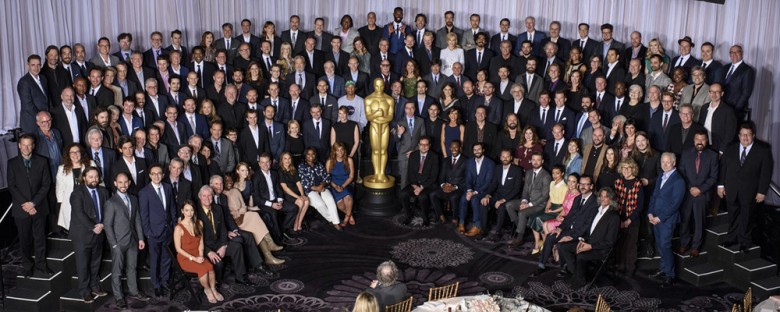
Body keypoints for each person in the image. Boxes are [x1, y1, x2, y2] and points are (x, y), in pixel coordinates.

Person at [718, 122, 773, 252]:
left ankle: (744, 242)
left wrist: (762, 191)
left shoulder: (762, 151)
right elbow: (723, 168)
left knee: (746, 217)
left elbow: (766, 173)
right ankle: (732, 239)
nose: (745, 138)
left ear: (753, 135)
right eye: (743, 135)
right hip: (731, 190)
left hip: (750, 191)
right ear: (739, 135)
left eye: (748, 135)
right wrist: (720, 185)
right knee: (733, 216)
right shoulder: (730, 148)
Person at [529, 174, 595, 278]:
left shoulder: (594, 202)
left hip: (581, 234)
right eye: (581, 184)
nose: (583, 186)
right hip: (569, 229)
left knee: (561, 244)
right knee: (550, 236)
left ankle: (565, 267)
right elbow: (570, 217)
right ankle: (541, 265)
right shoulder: (578, 198)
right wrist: (559, 228)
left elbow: (588, 225)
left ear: (591, 186)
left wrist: (572, 236)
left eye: (586, 184)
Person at [8, 134, 52, 278]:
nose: (26, 148)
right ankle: (27, 266)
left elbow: (46, 185)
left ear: (33, 145)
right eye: (24, 145)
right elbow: (12, 186)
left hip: (39, 207)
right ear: (19, 145)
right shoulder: (12, 163)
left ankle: (41, 265)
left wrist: (33, 203)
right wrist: (26, 205)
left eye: (29, 145)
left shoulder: (42, 161)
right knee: (24, 239)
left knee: (40, 238)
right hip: (21, 209)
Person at [104, 172, 150, 308]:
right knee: (117, 271)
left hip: (132, 241)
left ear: (129, 183)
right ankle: (118, 297)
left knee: (132, 268)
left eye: (125, 182)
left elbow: (137, 220)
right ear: (115, 183)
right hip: (118, 243)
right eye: (120, 182)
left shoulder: (134, 199)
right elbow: (107, 225)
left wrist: (141, 238)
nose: (123, 185)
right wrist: (113, 245)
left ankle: (134, 291)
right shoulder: (110, 202)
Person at [559, 187, 620, 289]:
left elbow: (610, 242)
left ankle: (580, 281)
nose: (603, 199)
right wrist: (581, 240)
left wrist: (590, 246)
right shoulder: (597, 211)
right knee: (564, 247)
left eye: (606, 197)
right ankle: (577, 275)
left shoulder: (614, 217)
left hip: (600, 249)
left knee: (581, 255)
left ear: (611, 199)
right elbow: (589, 231)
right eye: (601, 196)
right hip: (588, 242)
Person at [222, 173, 285, 265]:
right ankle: (269, 252)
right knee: (254, 219)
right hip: (234, 220)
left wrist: (241, 211)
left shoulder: (235, 191)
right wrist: (237, 214)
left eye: (231, 180)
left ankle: (270, 251)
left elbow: (243, 205)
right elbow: (228, 213)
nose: (229, 182)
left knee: (254, 217)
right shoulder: (223, 195)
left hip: (243, 216)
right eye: (227, 180)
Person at [69, 167, 109, 303]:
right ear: (84, 178)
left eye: (96, 176)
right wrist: (93, 227)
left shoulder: (104, 192)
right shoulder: (77, 194)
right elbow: (79, 214)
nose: (94, 179)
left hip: (99, 232)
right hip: (82, 235)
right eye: (91, 177)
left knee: (96, 263)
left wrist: (103, 224)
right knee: (83, 265)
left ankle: (95, 286)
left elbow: (107, 211)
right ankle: (84, 291)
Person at [677, 130, 718, 257]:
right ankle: (684, 243)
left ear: (707, 140)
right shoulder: (686, 154)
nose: (700, 142)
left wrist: (700, 189)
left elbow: (713, 177)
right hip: (687, 192)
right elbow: (681, 173)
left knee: (699, 221)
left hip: (702, 193)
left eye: (703, 139)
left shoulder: (712, 155)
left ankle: (695, 246)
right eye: (697, 139)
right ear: (693, 140)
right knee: (684, 219)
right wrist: (690, 188)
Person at [647, 153, 685, 287]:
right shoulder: (661, 177)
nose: (665, 164)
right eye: (663, 162)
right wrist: (650, 213)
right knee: (659, 244)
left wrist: (660, 217)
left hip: (667, 219)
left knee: (665, 245)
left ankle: (670, 275)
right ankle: (663, 269)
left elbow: (675, 204)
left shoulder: (678, 180)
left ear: (674, 163)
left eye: (668, 162)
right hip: (655, 217)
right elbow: (654, 196)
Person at [174, 201, 222, 303]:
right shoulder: (178, 228)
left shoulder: (199, 223)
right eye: (187, 210)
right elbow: (178, 249)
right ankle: (207, 290)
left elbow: (201, 243)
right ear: (182, 211)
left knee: (210, 267)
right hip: (186, 258)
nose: (189, 213)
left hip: (197, 254)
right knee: (202, 270)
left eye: (191, 210)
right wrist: (194, 258)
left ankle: (213, 289)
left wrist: (200, 255)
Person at [507, 152, 551, 247]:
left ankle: (519, 238)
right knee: (509, 205)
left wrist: (528, 205)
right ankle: (522, 227)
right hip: (528, 201)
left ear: (542, 161)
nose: (535, 162)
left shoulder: (546, 176)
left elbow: (544, 196)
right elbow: (525, 190)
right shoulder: (529, 172)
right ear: (531, 161)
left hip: (539, 204)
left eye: (538, 160)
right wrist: (524, 201)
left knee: (522, 212)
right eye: (534, 160)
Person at [253, 153, 300, 237]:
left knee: (294, 208)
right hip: (265, 203)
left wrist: (280, 201)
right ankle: (279, 237)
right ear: (259, 164)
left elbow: (278, 189)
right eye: (262, 162)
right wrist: (271, 204)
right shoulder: (256, 177)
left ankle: (284, 229)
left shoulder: (274, 173)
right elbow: (257, 198)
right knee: (273, 213)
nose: (265, 165)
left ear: (270, 162)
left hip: (276, 201)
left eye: (267, 162)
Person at [483, 149, 523, 242]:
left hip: (510, 197)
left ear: (511, 158)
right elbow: (493, 185)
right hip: (498, 195)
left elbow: (516, 189)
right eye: (503, 156)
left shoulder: (517, 170)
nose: (505, 158)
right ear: (500, 158)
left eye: (507, 156)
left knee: (501, 207)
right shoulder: (497, 168)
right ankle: (484, 229)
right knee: (484, 202)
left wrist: (503, 200)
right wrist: (487, 195)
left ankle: (498, 233)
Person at [613, 159, 644, 278]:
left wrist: (628, 221)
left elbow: (640, 206)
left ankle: (630, 268)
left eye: (629, 167)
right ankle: (620, 265)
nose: (626, 170)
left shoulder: (638, 184)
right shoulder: (617, 182)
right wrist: (619, 220)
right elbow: (614, 202)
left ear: (633, 169)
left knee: (631, 245)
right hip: (619, 217)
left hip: (633, 218)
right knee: (620, 243)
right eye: (624, 167)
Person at [399, 136, 440, 226]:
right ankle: (408, 215)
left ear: (429, 145)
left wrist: (421, 188)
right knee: (403, 194)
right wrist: (415, 186)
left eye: (426, 145)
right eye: (421, 144)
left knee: (422, 197)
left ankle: (425, 219)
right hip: (415, 183)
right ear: (418, 145)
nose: (423, 147)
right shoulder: (413, 155)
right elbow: (410, 173)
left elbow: (433, 177)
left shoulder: (434, 156)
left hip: (428, 184)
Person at [527, 165, 567, 253]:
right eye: (553, 173)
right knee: (533, 216)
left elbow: (564, 205)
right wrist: (547, 208)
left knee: (539, 218)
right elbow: (550, 198)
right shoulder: (552, 183)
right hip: (551, 208)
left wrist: (552, 211)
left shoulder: (565, 187)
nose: (554, 175)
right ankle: (538, 241)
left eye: (557, 173)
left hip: (558, 210)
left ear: (562, 174)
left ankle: (543, 243)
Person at [298, 148, 342, 229]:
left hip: (322, 187)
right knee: (320, 204)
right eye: (308, 154)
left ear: (315, 155)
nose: (311, 156)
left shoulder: (319, 164)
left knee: (330, 200)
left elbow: (327, 177)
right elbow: (303, 182)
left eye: (313, 154)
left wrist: (322, 185)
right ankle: (333, 220)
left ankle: (336, 224)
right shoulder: (301, 166)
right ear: (305, 155)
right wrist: (315, 188)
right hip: (310, 190)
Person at [458, 143, 495, 237]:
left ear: (483, 150)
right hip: (472, 189)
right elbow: (468, 178)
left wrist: (474, 193)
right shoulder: (469, 162)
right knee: (463, 199)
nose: (477, 151)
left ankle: (477, 226)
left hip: (484, 190)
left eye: (479, 149)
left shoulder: (490, 163)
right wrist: (470, 190)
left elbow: (488, 182)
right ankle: (461, 223)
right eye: (475, 150)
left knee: (475, 199)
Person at [327, 142, 356, 227]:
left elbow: (351, 176)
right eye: (337, 150)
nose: (340, 152)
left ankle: (347, 217)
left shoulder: (349, 160)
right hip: (334, 185)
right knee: (340, 203)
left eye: (342, 150)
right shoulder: (329, 161)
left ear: (344, 150)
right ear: (334, 151)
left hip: (346, 183)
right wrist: (335, 186)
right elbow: (327, 178)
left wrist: (343, 186)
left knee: (347, 198)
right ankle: (350, 214)